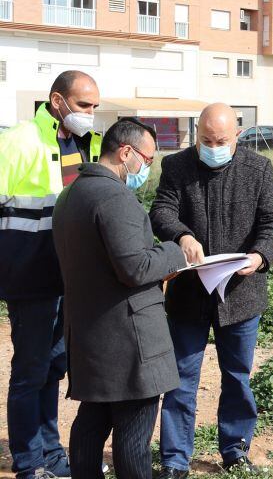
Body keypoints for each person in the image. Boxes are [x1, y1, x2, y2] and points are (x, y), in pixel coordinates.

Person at [150, 103, 273, 477]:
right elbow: (161, 211)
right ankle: (176, 459)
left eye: (221, 140)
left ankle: (235, 449)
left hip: (241, 294)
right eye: (206, 140)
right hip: (189, 294)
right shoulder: (176, 166)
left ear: (237, 136)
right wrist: (183, 235)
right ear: (196, 136)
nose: (213, 146)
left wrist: (259, 257)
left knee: (238, 376)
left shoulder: (258, 169)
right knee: (180, 378)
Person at [51, 119, 187, 479]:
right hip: (129, 342)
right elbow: (136, 267)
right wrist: (175, 253)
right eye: (147, 159)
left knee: (91, 425)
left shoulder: (72, 193)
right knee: (132, 435)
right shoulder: (114, 197)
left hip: (90, 334)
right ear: (125, 152)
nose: (147, 168)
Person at [0, 71, 101, 479]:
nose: (90, 114)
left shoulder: (85, 143)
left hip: (68, 278)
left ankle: (50, 453)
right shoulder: (20, 141)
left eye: (94, 106)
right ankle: (28, 463)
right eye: (83, 106)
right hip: (30, 278)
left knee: (54, 368)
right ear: (57, 101)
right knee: (30, 371)